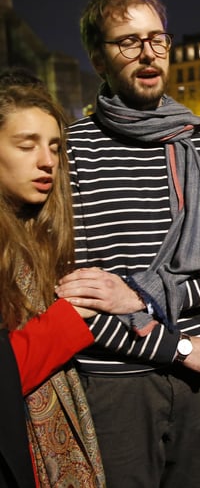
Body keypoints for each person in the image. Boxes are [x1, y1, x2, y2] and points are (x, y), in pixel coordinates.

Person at [54, 0, 200, 488]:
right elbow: (79, 295)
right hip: (115, 380)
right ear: (99, 61)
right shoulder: (72, 151)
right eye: (128, 41)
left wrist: (141, 293)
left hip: (198, 376)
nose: (148, 54)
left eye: (157, 39)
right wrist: (176, 344)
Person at [0, 82, 108, 487]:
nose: (47, 161)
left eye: (55, 147)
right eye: (27, 146)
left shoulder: (39, 233)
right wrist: (67, 321)